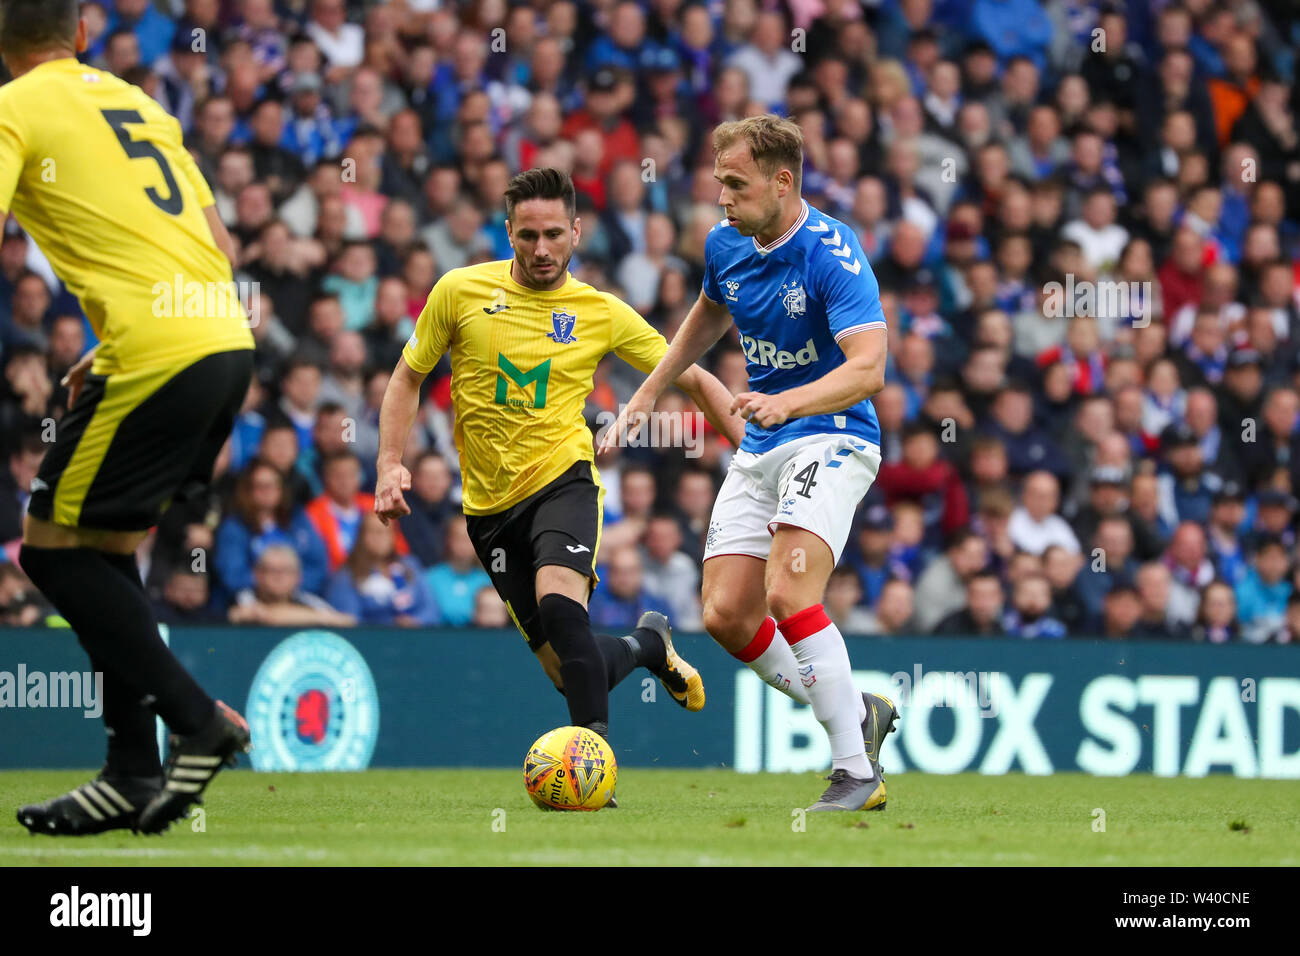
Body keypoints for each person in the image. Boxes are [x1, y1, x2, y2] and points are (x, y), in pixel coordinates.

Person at [374, 168, 737, 783]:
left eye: (553, 235)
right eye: (527, 236)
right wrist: (389, 461)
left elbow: (694, 377)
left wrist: (754, 456)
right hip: (487, 508)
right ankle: (649, 646)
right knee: (568, 667)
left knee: (562, 609)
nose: (541, 250)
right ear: (508, 232)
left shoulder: (600, 311)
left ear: (575, 231)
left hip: (564, 478)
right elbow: (409, 376)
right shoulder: (458, 292)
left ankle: (593, 773)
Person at [7, 2, 253, 836]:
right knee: (106, 546)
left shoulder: (14, 108)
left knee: (46, 548)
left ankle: (195, 719)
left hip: (158, 353)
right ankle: (131, 771)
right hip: (223, 339)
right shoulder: (143, 104)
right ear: (81, 35)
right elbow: (220, 247)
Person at [604, 115, 898, 813]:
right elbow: (707, 317)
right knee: (726, 615)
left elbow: (870, 370)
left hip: (832, 435)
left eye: (735, 185)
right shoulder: (725, 244)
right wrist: (646, 393)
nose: (722, 199)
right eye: (718, 184)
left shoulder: (833, 252)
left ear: (782, 181)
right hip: (765, 441)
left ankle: (856, 772)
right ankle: (856, 709)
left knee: (788, 596)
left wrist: (790, 402)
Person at [326, 512, 438, 626]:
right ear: (361, 536)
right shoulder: (346, 576)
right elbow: (349, 621)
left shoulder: (410, 565)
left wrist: (416, 621)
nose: (381, 538)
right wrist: (392, 625)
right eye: (374, 532)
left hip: (417, 637)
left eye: (387, 532)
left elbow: (431, 609)